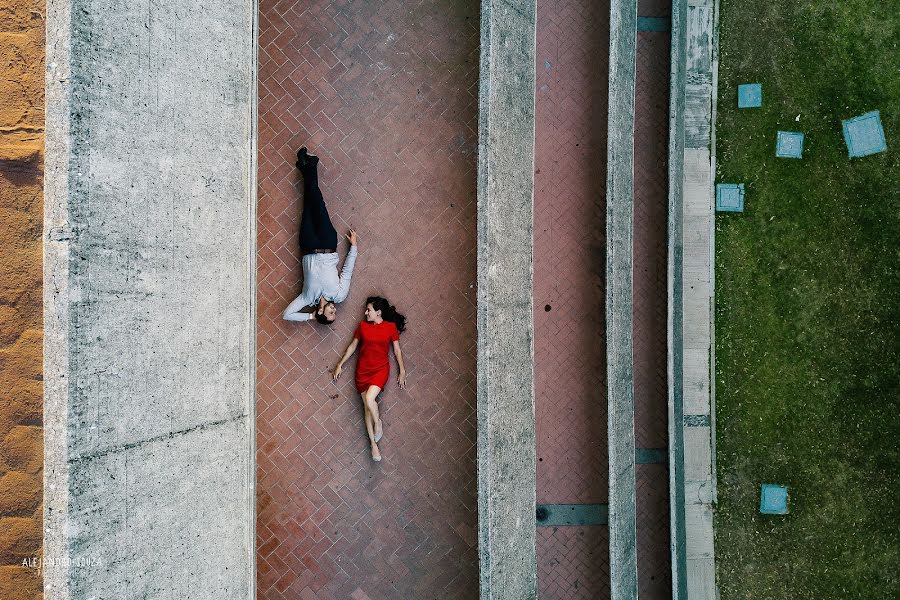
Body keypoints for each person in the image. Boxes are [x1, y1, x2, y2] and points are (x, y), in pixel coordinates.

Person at [282, 147, 357, 324]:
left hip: (308, 245)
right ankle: (310, 164)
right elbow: (347, 272)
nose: (334, 310)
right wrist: (354, 247)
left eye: (331, 314)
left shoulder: (307, 298)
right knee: (318, 203)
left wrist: (310, 316)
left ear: (321, 312)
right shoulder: (339, 295)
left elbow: (287, 314)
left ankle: (306, 167)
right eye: (335, 313)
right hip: (327, 242)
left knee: (307, 205)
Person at [332, 297, 408, 462]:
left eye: (369, 310)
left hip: (380, 370)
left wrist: (402, 370)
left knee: (369, 398)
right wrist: (340, 364)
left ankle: (378, 421)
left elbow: (397, 350)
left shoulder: (390, 327)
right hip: (362, 372)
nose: (366, 313)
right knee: (367, 408)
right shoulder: (363, 326)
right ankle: (373, 444)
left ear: (378, 312)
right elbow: (353, 346)